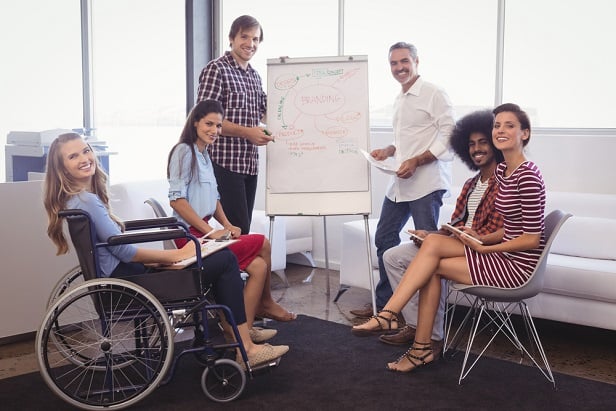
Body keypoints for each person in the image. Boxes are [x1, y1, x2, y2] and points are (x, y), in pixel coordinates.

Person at [43, 132, 289, 369]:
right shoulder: (87, 201)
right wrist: (174, 256)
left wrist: (162, 260)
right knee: (224, 260)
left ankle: (236, 332)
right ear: (62, 168)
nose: (84, 158)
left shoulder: (77, 200)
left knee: (230, 260)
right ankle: (244, 347)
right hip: (130, 283)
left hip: (124, 276)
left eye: (86, 151)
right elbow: (123, 250)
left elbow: (115, 247)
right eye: (73, 156)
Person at [352, 103, 546, 373]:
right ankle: (420, 347)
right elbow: (509, 227)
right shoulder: (505, 172)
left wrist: (486, 247)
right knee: (430, 261)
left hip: (515, 266)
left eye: (509, 126)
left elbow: (533, 239)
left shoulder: (528, 175)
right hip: (495, 252)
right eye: (497, 125)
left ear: (524, 133)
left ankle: (389, 316)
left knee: (430, 256)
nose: (501, 130)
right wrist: (480, 237)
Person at [375, 110, 504, 351]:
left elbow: (502, 232)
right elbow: (455, 225)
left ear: (495, 144)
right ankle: (414, 326)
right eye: (471, 144)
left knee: (431, 259)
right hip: (458, 246)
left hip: (482, 253)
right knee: (392, 256)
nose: (477, 148)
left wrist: (457, 239)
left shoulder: (505, 182)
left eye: (483, 142)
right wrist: (432, 235)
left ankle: (427, 334)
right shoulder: (471, 184)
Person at [167, 100, 296, 340]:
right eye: (209, 124)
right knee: (263, 242)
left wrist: (225, 224)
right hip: (188, 238)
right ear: (195, 122)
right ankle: (265, 303)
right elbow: (177, 201)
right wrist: (210, 231)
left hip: (203, 233)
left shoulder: (205, 155)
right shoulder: (183, 151)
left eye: (217, 125)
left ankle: (240, 331)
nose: (214, 130)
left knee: (258, 267)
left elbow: (214, 198)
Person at [350, 41, 455, 318]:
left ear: (417, 61)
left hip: (427, 182)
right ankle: (387, 305)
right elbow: (408, 139)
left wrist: (418, 160)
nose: (399, 68)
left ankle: (426, 317)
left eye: (404, 61)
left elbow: (448, 134)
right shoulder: (400, 97)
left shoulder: (433, 92)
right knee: (384, 236)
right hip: (400, 182)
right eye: (394, 63)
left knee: (427, 247)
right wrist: (389, 150)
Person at [196, 15, 272, 235]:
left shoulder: (254, 77)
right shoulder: (216, 69)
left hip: (249, 165)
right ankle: (236, 269)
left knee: (242, 231)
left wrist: (283, 76)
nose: (250, 43)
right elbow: (205, 119)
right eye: (244, 37)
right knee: (239, 230)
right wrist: (248, 133)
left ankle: (240, 269)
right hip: (225, 165)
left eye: (256, 39)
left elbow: (269, 113)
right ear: (231, 38)